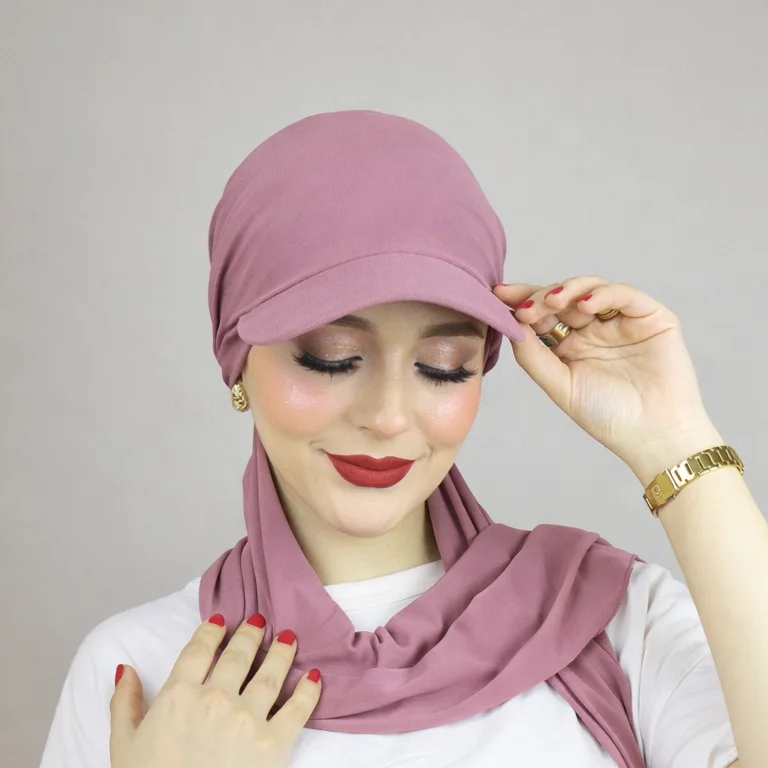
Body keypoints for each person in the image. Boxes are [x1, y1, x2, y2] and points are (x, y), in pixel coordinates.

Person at [40, 110, 763, 768]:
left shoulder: (612, 620)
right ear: (237, 360)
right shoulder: (141, 672)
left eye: (443, 366)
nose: (387, 416)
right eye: (331, 358)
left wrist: (672, 437)